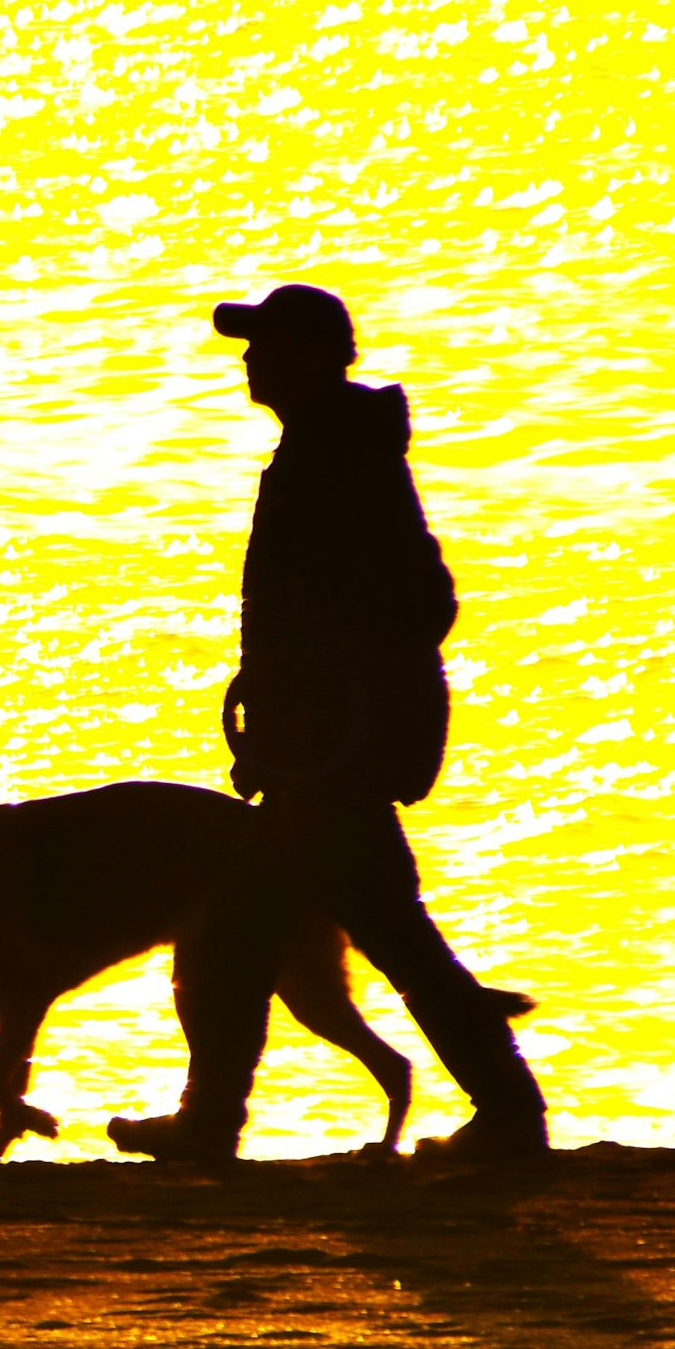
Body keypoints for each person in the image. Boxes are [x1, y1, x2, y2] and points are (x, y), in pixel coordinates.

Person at [111, 282, 550, 1162]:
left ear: (313, 355)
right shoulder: (329, 446)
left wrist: (329, 707)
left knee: (254, 934)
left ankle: (217, 1124)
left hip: (335, 758)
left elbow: (419, 599)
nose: (248, 359)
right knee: (355, 933)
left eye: (265, 344)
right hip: (322, 751)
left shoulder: (341, 454)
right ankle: (504, 1111)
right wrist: (287, 716)